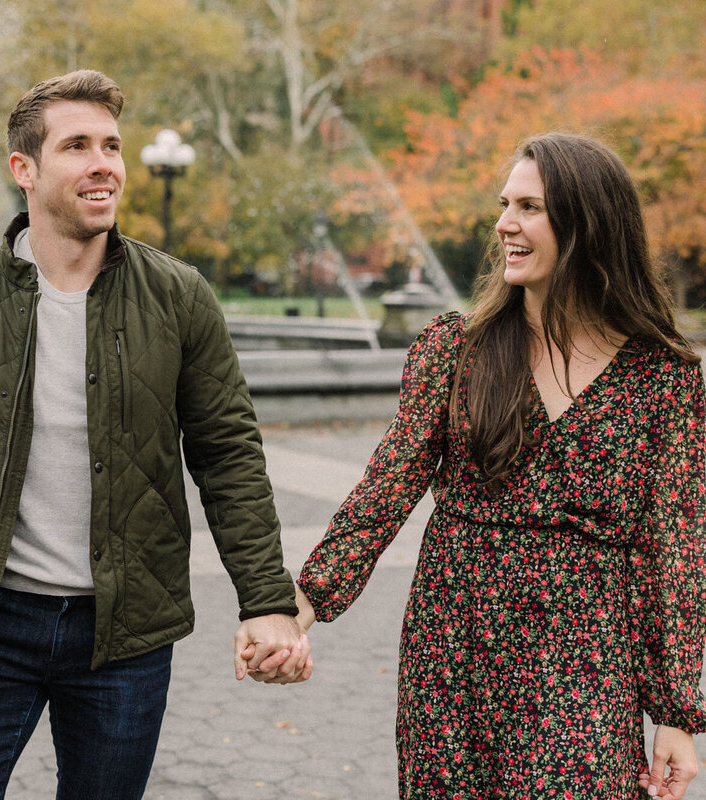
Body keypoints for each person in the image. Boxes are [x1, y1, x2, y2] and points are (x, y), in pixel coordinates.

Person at [0, 69, 310, 799]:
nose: (103, 163)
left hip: (124, 635)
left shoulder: (178, 296)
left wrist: (266, 600)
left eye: (112, 145)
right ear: (23, 170)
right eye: (77, 146)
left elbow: (228, 456)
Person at [282, 132, 706, 798]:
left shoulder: (663, 379)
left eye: (530, 207)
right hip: (454, 643)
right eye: (506, 204)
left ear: (588, 222)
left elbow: (671, 550)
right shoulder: (456, 350)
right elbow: (384, 490)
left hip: (585, 648)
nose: (505, 223)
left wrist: (676, 714)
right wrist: (300, 608)